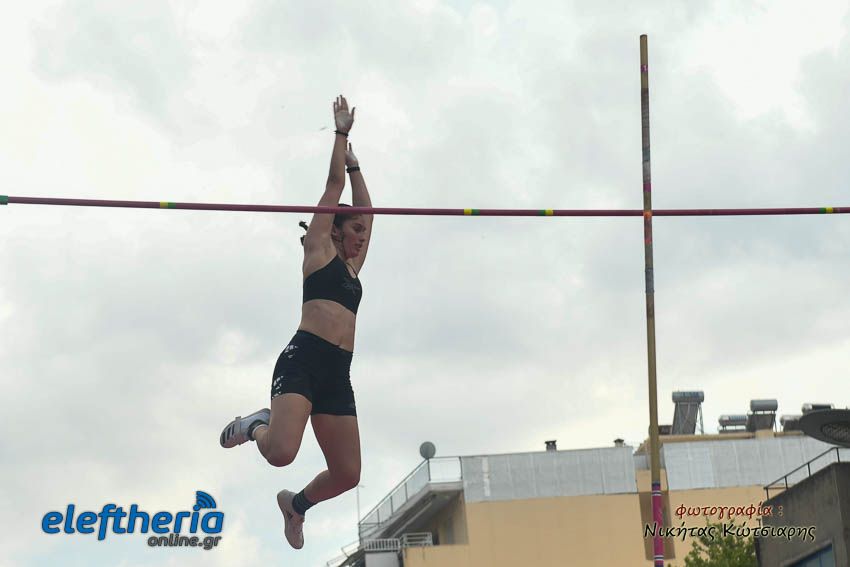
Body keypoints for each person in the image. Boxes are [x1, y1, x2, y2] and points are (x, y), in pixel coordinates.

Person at [219, 94, 372, 550]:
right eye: (356, 230)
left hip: (337, 372)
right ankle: (254, 425)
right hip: (304, 360)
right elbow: (333, 186)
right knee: (281, 453)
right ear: (335, 229)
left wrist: (358, 167)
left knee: (348, 474)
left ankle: (296, 505)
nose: (362, 238)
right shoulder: (319, 250)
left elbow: (367, 211)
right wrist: (341, 135)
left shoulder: (352, 269)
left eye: (364, 233)